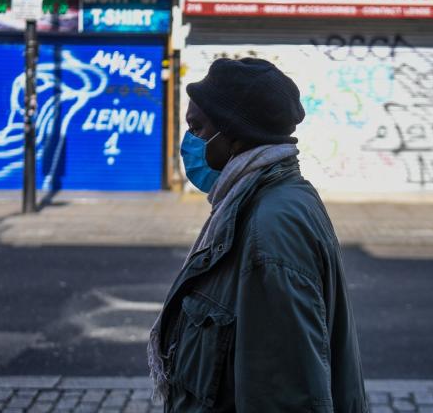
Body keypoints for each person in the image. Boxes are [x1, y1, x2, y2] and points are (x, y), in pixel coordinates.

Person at [148, 57, 367, 412]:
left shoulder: (271, 228)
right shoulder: (260, 201)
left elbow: (286, 397)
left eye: (197, 127)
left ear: (233, 135)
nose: (189, 141)